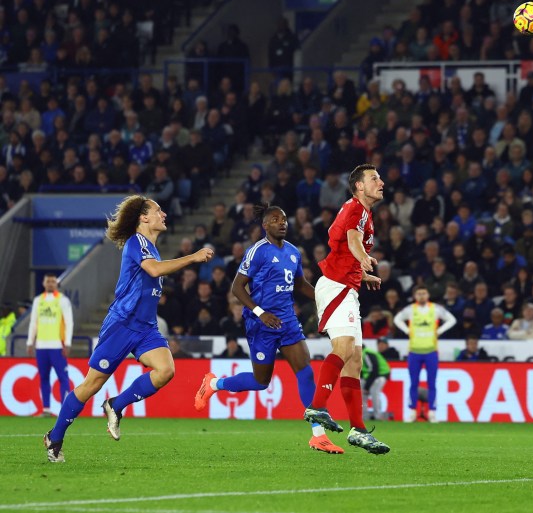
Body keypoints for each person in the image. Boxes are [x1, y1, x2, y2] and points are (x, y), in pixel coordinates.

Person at [44, 196, 213, 462]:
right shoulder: (136, 243)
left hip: (145, 327)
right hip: (122, 324)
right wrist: (193, 257)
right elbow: (154, 271)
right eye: (158, 210)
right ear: (143, 218)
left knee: (166, 370)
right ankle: (55, 437)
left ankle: (116, 405)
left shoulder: (152, 247)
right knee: (91, 385)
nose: (164, 214)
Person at [193, 205, 338, 453]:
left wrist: (325, 300)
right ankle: (215, 384)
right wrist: (260, 313)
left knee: (305, 372)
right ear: (265, 225)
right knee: (261, 382)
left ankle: (318, 435)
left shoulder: (293, 252)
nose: (282, 222)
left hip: (287, 321)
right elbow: (237, 288)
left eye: (283, 219)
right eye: (275, 219)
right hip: (260, 324)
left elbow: (300, 284)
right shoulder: (257, 252)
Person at [305, 164, 390, 454]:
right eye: (374, 178)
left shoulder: (361, 212)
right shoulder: (356, 209)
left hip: (346, 286)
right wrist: (363, 257)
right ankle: (317, 407)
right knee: (342, 348)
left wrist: (361, 272)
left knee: (355, 360)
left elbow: (338, 238)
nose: (381, 182)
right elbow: (352, 239)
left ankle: (358, 429)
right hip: (336, 287)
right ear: (359, 187)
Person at [393, 285, 457, 423]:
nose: (421, 296)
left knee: (432, 383)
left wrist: (439, 331)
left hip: (431, 351)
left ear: (428, 295)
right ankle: (412, 412)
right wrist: (406, 330)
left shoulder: (435, 309)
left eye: (424, 293)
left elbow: (452, 320)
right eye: (419, 293)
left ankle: (432, 412)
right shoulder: (410, 310)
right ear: (415, 296)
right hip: (414, 351)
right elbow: (397, 319)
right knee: (413, 383)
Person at [28, 273, 74, 417]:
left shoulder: (62, 300)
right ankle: (46, 409)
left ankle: (64, 410)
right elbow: (33, 322)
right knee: (43, 378)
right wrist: (30, 342)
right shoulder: (38, 301)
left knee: (62, 378)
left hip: (57, 346)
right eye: (48, 281)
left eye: (53, 281)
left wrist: (67, 343)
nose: (50, 284)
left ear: (56, 284)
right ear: (43, 283)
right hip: (41, 346)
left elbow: (69, 322)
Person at [361, 343, 391, 421]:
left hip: (381, 375)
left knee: (374, 392)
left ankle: (378, 416)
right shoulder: (364, 353)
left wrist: (367, 386)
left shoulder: (367, 353)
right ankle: (364, 417)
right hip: (373, 376)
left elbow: (374, 370)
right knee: (362, 394)